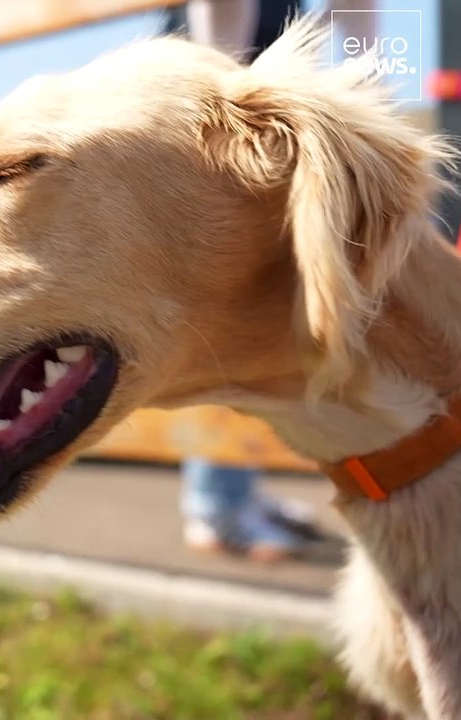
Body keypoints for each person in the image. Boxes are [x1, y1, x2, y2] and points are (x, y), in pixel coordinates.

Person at [162, 0, 333, 560]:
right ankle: (219, 507)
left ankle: (236, 494)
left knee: (251, 320)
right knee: (227, 315)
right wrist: (230, 107)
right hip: (218, 99)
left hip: (239, 87)